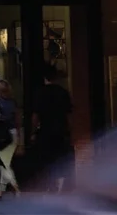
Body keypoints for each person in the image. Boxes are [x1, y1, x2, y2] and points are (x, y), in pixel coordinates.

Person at [32, 65, 74, 193]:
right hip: (60, 131)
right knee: (60, 158)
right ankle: (60, 186)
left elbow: (35, 115)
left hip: (45, 132)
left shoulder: (39, 93)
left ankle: (50, 184)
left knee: (46, 159)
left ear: (44, 77)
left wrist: (33, 132)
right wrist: (70, 131)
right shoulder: (63, 92)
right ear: (56, 77)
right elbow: (69, 115)